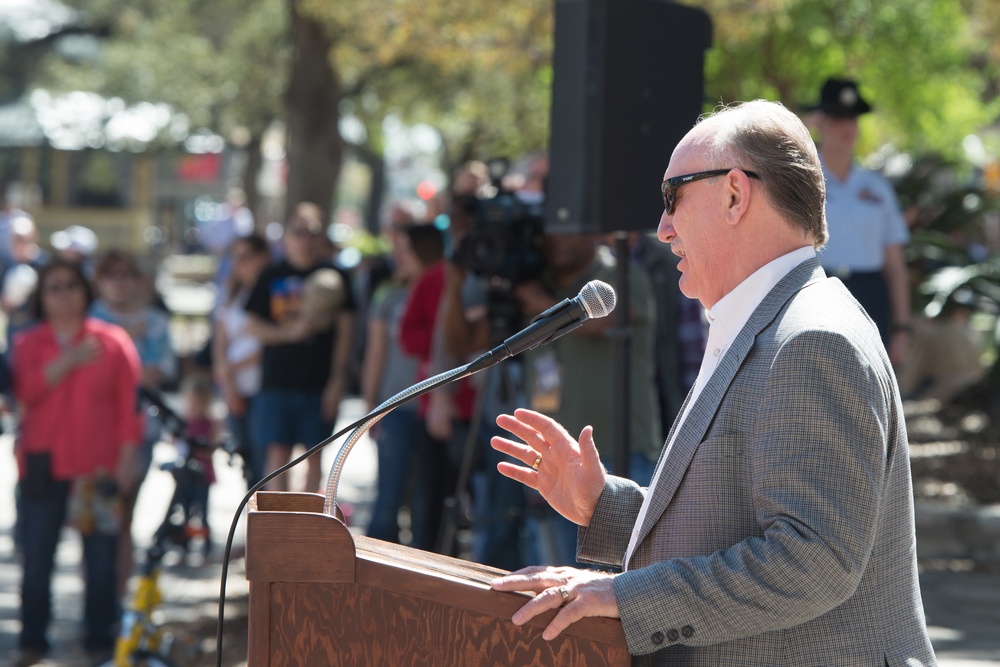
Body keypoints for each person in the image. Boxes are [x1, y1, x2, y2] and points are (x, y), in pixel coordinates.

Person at [489, 100, 936, 665]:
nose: (662, 227)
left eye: (673, 197)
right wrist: (605, 506)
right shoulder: (771, 320)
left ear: (734, 195)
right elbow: (734, 525)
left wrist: (623, 596)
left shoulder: (809, 339)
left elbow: (812, 560)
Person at [12, 258, 143, 666]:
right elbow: (27, 392)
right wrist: (69, 360)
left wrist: (126, 460)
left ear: (86, 292)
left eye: (71, 285)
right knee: (36, 561)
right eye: (54, 287)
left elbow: (130, 408)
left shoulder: (113, 340)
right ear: (43, 298)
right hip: (41, 464)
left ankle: (99, 641)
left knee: (102, 563)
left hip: (98, 468)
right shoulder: (26, 342)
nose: (64, 292)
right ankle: (33, 640)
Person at [244, 202, 355, 492]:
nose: (305, 239)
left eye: (312, 232)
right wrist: (289, 335)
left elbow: (346, 333)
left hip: (318, 383)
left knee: (314, 456)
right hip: (277, 381)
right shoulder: (272, 274)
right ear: (287, 237)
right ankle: (275, 531)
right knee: (277, 456)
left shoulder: (337, 276)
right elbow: (252, 325)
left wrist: (337, 380)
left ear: (321, 237)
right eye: (298, 231)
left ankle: (307, 532)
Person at [806, 77, 912, 366]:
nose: (847, 126)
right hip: (817, 294)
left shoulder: (878, 188)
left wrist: (901, 327)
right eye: (837, 117)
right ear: (820, 121)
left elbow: (894, 263)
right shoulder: (802, 182)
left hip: (870, 298)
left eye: (852, 118)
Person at [90, 248, 176, 599]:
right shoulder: (90, 318)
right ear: (99, 281)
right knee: (94, 521)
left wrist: (121, 346)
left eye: (127, 274)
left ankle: (118, 600)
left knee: (124, 514)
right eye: (112, 274)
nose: (120, 282)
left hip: (140, 430)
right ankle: (96, 600)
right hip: (95, 432)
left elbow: (155, 375)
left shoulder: (156, 321)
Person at [362, 223, 436, 544]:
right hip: (394, 406)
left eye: (407, 248)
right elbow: (375, 353)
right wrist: (370, 408)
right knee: (388, 498)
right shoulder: (388, 294)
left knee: (426, 499)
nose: (399, 255)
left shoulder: (447, 289)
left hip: (434, 407)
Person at [212, 233, 270, 487]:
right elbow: (220, 341)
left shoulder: (272, 292)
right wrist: (227, 381)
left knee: (263, 463)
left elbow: (269, 346)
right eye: (236, 258)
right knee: (247, 463)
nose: (241, 264)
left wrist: (230, 368)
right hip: (236, 387)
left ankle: (265, 524)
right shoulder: (232, 295)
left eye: (247, 257)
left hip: (263, 388)